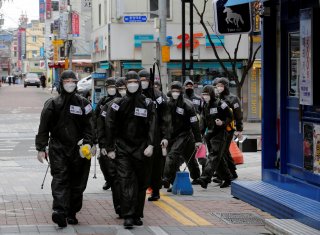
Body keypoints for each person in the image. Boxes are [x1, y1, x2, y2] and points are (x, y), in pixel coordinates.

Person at [35, 70, 94, 228]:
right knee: (60, 179)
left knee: (77, 182)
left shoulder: (84, 104)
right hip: (58, 148)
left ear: (76, 83)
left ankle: (72, 212)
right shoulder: (52, 104)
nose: (70, 84)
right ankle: (60, 212)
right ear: (61, 83)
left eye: (73, 81)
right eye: (67, 81)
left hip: (79, 149)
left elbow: (91, 127)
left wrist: (88, 143)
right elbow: (43, 128)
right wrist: (41, 147)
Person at [105, 71, 156, 229]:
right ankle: (128, 215)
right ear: (125, 84)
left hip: (142, 149)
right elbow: (109, 125)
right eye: (130, 82)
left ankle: (137, 213)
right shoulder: (117, 104)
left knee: (141, 183)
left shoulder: (148, 103)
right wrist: (109, 147)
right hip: (123, 149)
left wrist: (151, 144)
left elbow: (153, 125)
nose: (133, 84)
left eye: (136, 81)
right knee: (126, 182)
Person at [162, 81, 201, 190]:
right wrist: (164, 136)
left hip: (185, 135)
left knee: (189, 158)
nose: (175, 93)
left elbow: (194, 122)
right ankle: (171, 181)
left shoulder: (188, 105)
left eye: (177, 91)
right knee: (172, 157)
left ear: (181, 91)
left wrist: (198, 139)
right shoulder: (167, 104)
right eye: (173, 90)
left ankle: (196, 177)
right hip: (172, 135)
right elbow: (164, 122)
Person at [138, 69, 169, 201]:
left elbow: (166, 118)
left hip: (156, 136)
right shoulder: (136, 96)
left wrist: (165, 136)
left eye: (144, 80)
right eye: (140, 80)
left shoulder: (159, 96)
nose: (142, 82)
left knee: (156, 165)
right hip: (139, 136)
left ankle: (155, 190)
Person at [97, 77, 125, 217]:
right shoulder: (107, 103)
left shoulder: (140, 102)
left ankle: (133, 209)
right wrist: (102, 144)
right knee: (115, 177)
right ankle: (120, 207)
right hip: (112, 145)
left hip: (133, 148)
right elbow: (100, 123)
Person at [196, 85, 234, 188]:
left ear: (211, 94)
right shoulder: (205, 105)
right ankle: (228, 178)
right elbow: (203, 120)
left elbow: (230, 116)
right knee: (219, 159)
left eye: (207, 94)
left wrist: (222, 122)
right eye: (203, 95)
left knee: (213, 156)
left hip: (220, 134)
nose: (205, 96)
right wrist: (201, 133)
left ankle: (205, 178)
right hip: (209, 135)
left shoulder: (220, 104)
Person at [214, 77, 243, 180]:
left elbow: (238, 114)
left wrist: (239, 129)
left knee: (222, 151)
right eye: (217, 86)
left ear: (226, 86)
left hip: (228, 129)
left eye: (221, 86)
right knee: (224, 151)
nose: (219, 87)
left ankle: (225, 174)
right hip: (217, 129)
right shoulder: (216, 98)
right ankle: (230, 172)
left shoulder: (233, 99)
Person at [92, 77, 117, 191]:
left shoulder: (121, 100)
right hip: (105, 136)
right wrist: (96, 136)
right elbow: (96, 118)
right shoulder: (103, 101)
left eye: (113, 87)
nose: (111, 89)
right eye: (109, 87)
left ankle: (117, 180)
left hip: (117, 136)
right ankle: (109, 180)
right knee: (103, 159)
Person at [183, 79, 206, 182]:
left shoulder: (199, 99)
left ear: (193, 87)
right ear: (184, 87)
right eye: (187, 86)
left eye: (190, 86)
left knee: (201, 154)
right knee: (186, 155)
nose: (189, 87)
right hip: (184, 130)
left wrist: (202, 127)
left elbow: (203, 113)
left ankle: (204, 176)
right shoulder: (181, 98)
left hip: (197, 129)